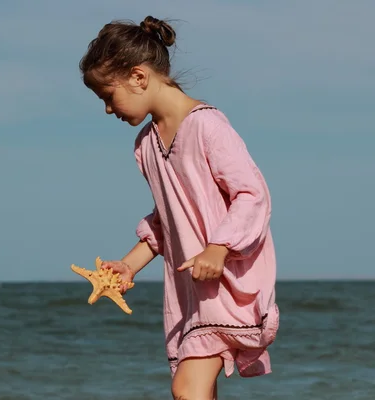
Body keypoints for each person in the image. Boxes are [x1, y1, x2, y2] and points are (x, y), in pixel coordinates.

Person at [79, 15, 279, 400]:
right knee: (196, 389)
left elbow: (252, 194)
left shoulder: (207, 126)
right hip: (191, 293)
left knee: (187, 388)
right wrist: (129, 264)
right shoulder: (146, 146)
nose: (107, 109)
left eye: (108, 96)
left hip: (228, 284)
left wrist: (220, 247)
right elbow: (167, 219)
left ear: (139, 77)